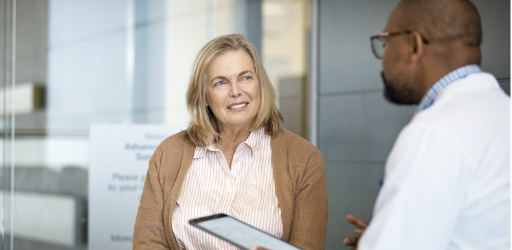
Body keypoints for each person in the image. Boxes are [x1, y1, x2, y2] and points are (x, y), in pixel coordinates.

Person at [132, 34, 328, 250]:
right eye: (221, 82)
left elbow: (308, 246)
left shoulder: (303, 158)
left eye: (245, 77)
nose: (235, 91)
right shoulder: (169, 154)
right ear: (204, 95)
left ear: (260, 84)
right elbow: (147, 243)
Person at [342, 0, 511, 249]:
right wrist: (385, 233)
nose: (382, 59)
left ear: (414, 45)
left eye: (386, 42)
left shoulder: (434, 130)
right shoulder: (501, 111)